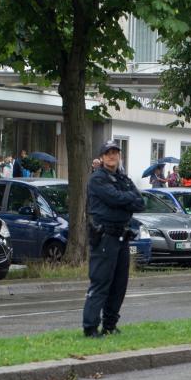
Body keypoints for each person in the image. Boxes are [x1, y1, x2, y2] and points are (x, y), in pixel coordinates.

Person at [82, 140, 145, 338]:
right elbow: (113, 198)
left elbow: (140, 202)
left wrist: (123, 199)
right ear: (101, 157)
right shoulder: (97, 179)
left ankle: (110, 324)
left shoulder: (123, 179)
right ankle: (90, 327)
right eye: (108, 153)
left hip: (122, 235)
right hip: (105, 236)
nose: (112, 156)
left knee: (119, 284)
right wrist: (126, 200)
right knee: (101, 282)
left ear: (119, 156)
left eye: (115, 153)